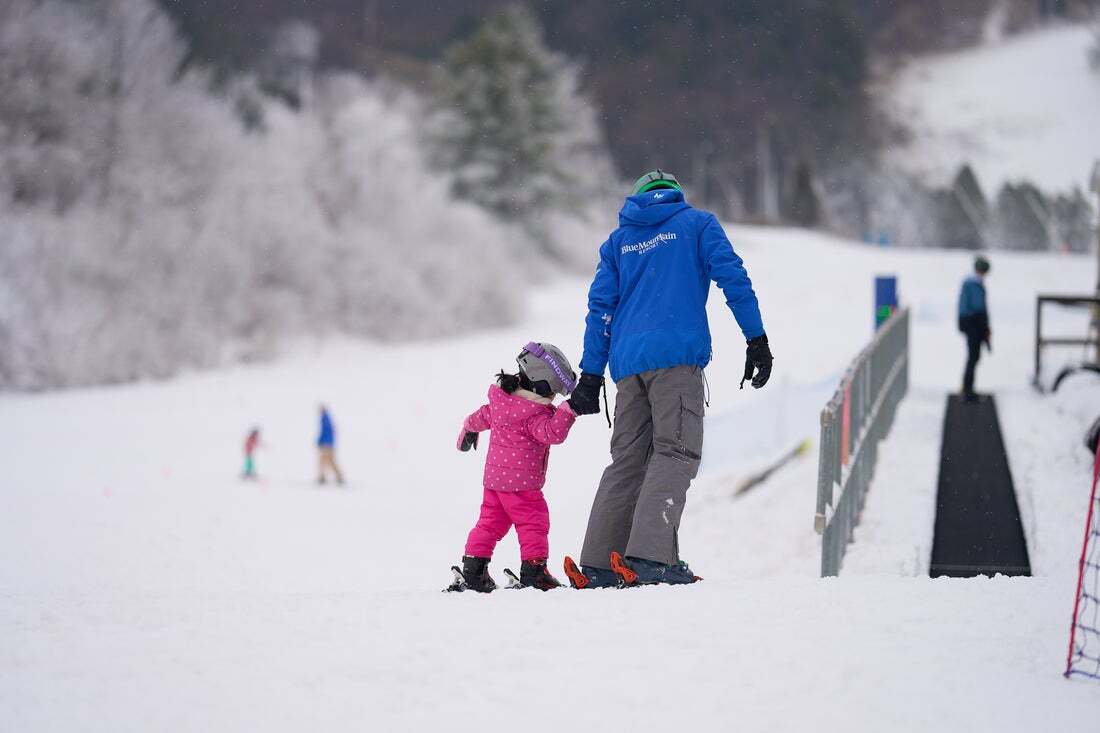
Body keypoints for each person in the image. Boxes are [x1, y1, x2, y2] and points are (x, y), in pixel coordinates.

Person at [562, 169, 772, 589]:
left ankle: (602, 564)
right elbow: (733, 278)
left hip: (627, 368)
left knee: (627, 459)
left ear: (637, 198)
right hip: (675, 360)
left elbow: (600, 309)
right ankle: (651, 559)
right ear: (676, 196)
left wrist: (590, 374)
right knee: (675, 452)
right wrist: (756, 338)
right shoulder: (697, 225)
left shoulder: (619, 243)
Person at [447, 342, 581, 593]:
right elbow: (553, 433)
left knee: (489, 523)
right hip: (522, 486)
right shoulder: (534, 414)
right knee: (534, 522)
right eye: (552, 393)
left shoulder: (500, 403)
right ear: (539, 384)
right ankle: (534, 572)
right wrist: (568, 409)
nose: (553, 399)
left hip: (494, 483)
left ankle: (473, 570)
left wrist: (468, 430)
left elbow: (478, 418)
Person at [958, 255, 992, 403]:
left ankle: (967, 388)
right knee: (973, 357)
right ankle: (968, 390)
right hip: (974, 323)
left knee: (973, 357)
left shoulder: (970, 283)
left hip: (970, 322)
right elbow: (979, 308)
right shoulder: (974, 284)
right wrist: (984, 327)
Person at [317, 405, 344, 485]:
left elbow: (325, 432)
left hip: (326, 445)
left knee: (324, 461)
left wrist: (321, 441)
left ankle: (323, 477)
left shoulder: (325, 419)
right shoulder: (327, 418)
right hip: (329, 444)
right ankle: (335, 477)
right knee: (329, 461)